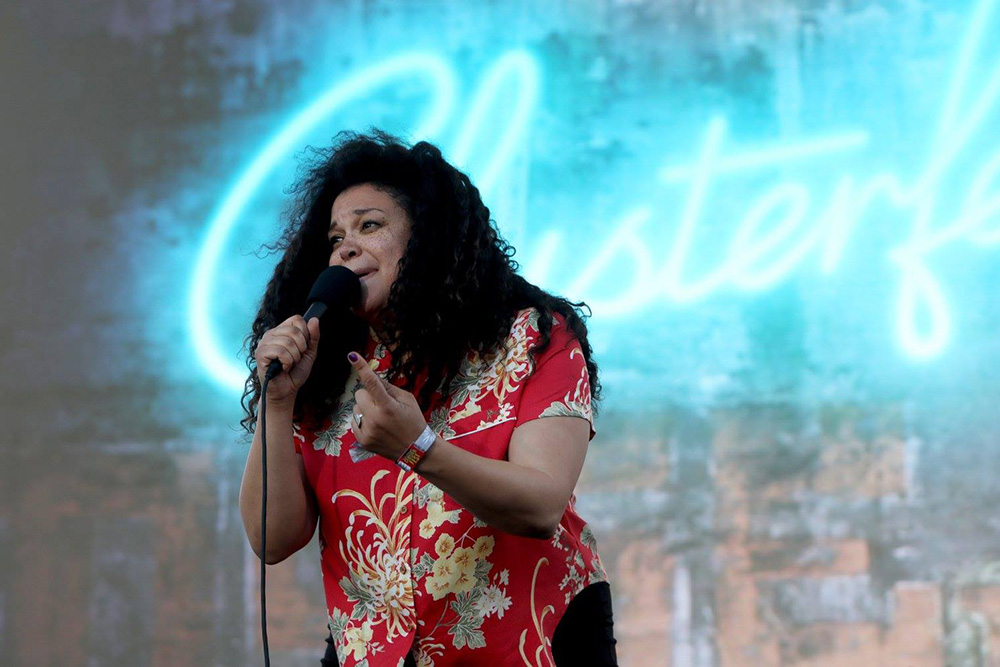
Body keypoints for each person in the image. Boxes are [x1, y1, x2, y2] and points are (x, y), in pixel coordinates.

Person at [238, 130, 617, 666]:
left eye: (369, 225)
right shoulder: (325, 371)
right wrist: (277, 404)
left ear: (429, 237)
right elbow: (273, 540)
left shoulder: (531, 338)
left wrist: (417, 446)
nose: (345, 247)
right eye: (335, 237)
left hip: (532, 645)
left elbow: (541, 505)